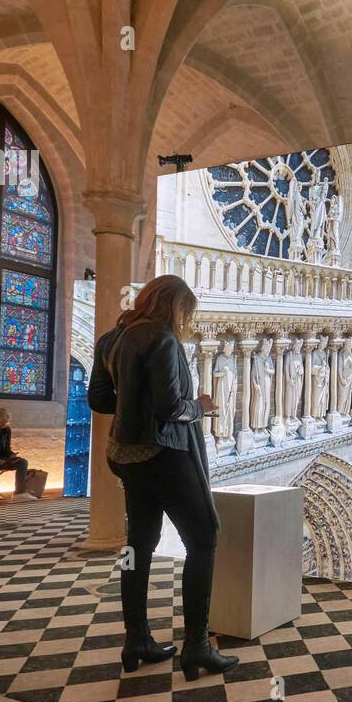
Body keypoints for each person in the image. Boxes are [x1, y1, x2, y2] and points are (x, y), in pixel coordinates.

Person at [87, 274, 239, 679]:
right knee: (204, 537)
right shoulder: (163, 339)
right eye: (186, 312)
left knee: (138, 545)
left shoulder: (110, 339)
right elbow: (172, 408)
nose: (186, 320)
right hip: (165, 452)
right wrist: (201, 406)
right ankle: (197, 646)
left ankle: (136, 638)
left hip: (125, 455)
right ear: (175, 307)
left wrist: (133, 401)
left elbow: (99, 400)